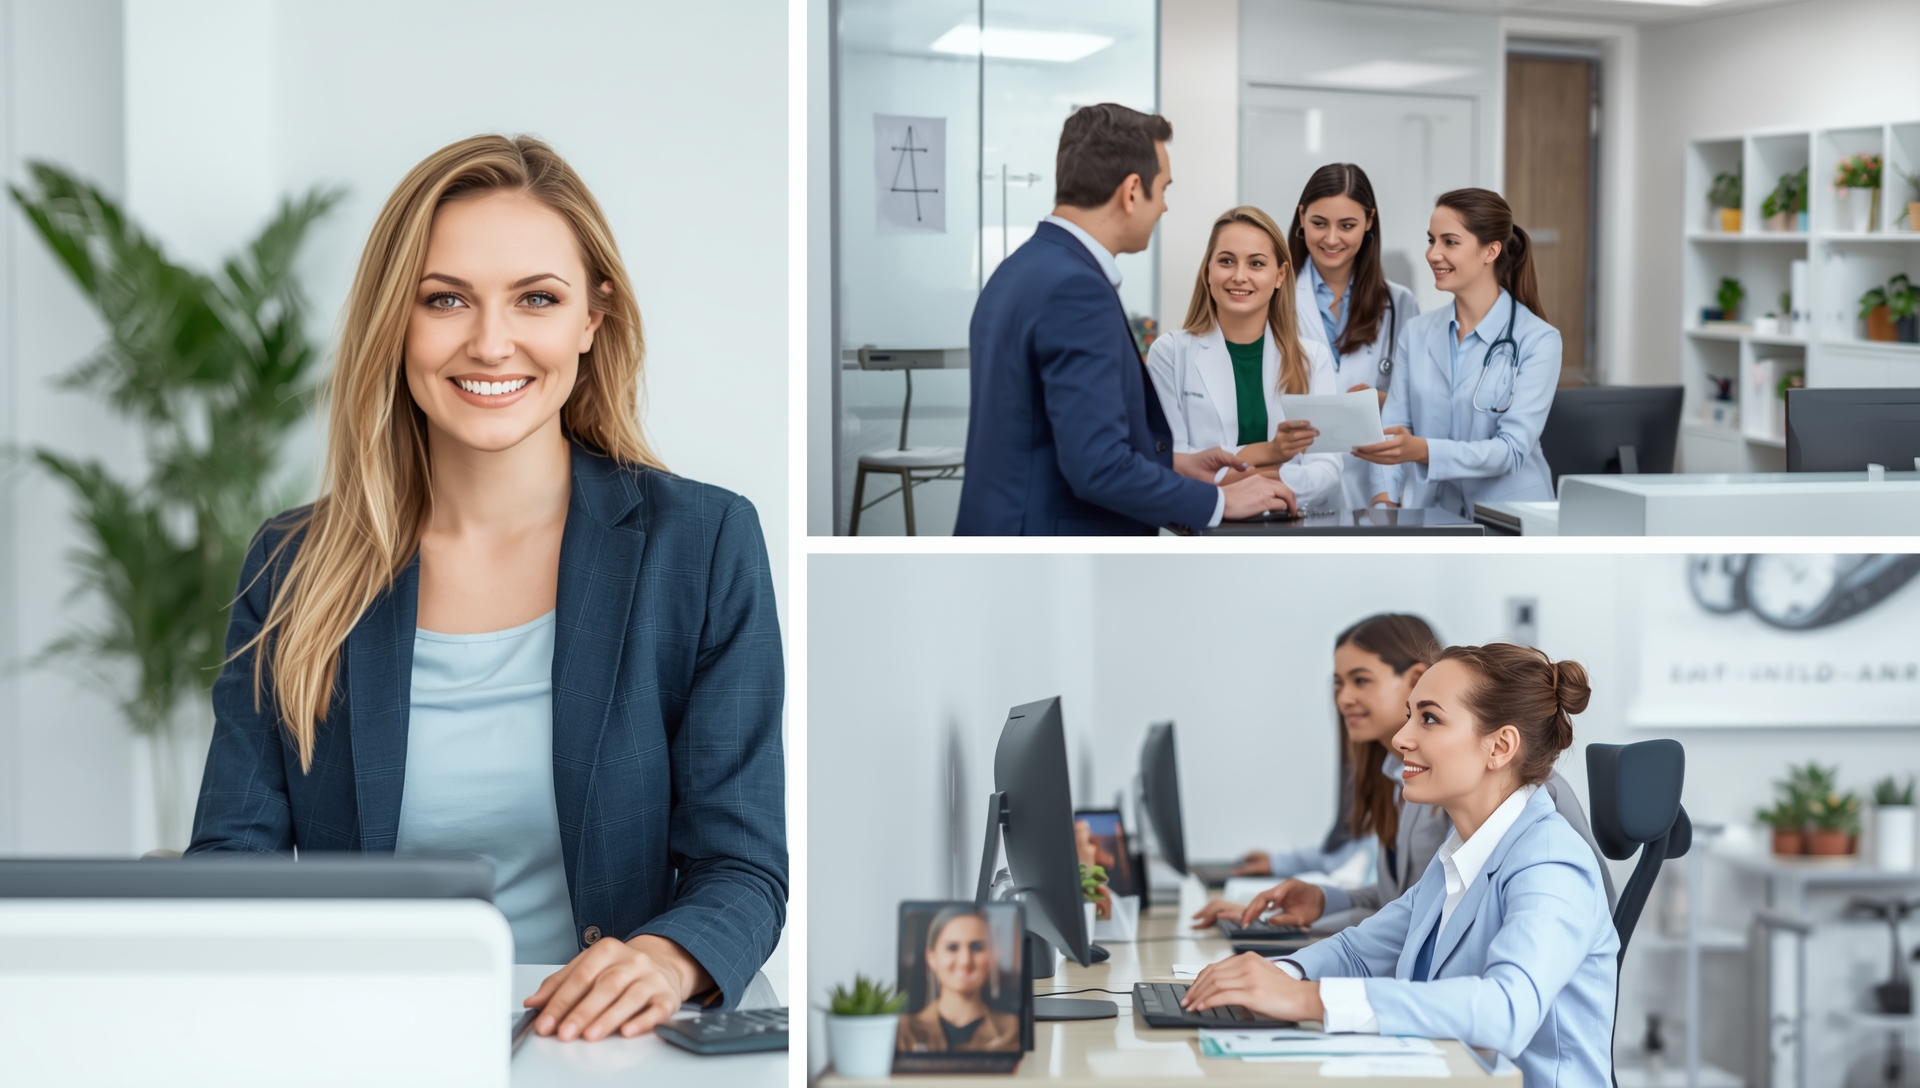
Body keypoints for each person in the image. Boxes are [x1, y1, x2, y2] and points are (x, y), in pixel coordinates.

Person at [187, 136, 786, 1044]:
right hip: (363, 1038)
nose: (490, 341)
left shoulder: (699, 546)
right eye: (445, 300)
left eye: (536, 299)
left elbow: (741, 865)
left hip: (605, 1049)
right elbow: (232, 863)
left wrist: (667, 957)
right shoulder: (292, 567)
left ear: (593, 316)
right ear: (397, 321)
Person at [1182, 645, 1619, 1088]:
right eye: (1409, 715)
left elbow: (1505, 1009)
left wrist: (1306, 999)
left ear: (1500, 747)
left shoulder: (1551, 861)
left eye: (1428, 718)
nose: (1401, 738)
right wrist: (1276, 975)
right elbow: (1358, 952)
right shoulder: (1460, 854)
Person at [954, 104, 1295, 535]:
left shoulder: (1019, 270)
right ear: (1133, 190)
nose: (1165, 207)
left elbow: (1052, 438)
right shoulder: (1076, 289)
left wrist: (1174, 466)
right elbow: (1097, 467)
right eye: (1163, 189)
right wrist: (1219, 500)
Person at [1193, 617, 1614, 935]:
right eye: (1338, 684)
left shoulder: (1501, 808)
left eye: (1360, 681)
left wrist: (1311, 992)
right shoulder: (1410, 781)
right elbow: (1403, 906)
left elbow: (1433, 937)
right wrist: (1320, 906)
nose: (1343, 699)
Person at [1354, 188, 1559, 518]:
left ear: (1490, 250)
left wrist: (1423, 451)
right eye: (1431, 240)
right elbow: (1393, 429)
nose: (1433, 254)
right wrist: (1384, 505)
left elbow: (1511, 451)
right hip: (1433, 515)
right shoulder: (1417, 334)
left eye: (1449, 242)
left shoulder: (1538, 340)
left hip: (1513, 518)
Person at [1146, 206, 1342, 514]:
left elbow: (1327, 468)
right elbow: (1173, 461)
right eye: (1226, 261)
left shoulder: (1312, 358)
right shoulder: (1170, 353)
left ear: (1279, 275)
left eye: (1256, 263)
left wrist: (1251, 483)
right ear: (1207, 270)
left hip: (1288, 526)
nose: (1239, 276)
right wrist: (1270, 455)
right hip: (1202, 527)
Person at [1286, 164, 1423, 512]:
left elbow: (1415, 406)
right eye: (1319, 223)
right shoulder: (1274, 298)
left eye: (1347, 225)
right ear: (1301, 217)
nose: (1332, 239)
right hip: (1293, 480)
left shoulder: (1400, 304)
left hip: (1373, 486)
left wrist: (1380, 398)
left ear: (1369, 221)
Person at [897, 907, 1021, 1053]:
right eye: (952, 947)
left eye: (976, 947)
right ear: (931, 958)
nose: (965, 961)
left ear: (993, 956)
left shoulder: (1013, 1029)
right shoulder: (904, 1031)